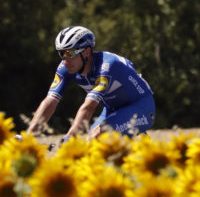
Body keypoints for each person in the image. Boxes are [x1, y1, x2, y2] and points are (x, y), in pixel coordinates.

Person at [27, 26, 155, 140]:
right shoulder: (65, 68)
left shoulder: (107, 65)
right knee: (91, 141)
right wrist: (28, 136)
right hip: (112, 109)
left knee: (97, 136)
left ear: (87, 51)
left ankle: (137, 141)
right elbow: (50, 102)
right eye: (62, 53)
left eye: (70, 52)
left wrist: (70, 138)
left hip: (142, 107)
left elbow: (89, 107)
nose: (66, 60)